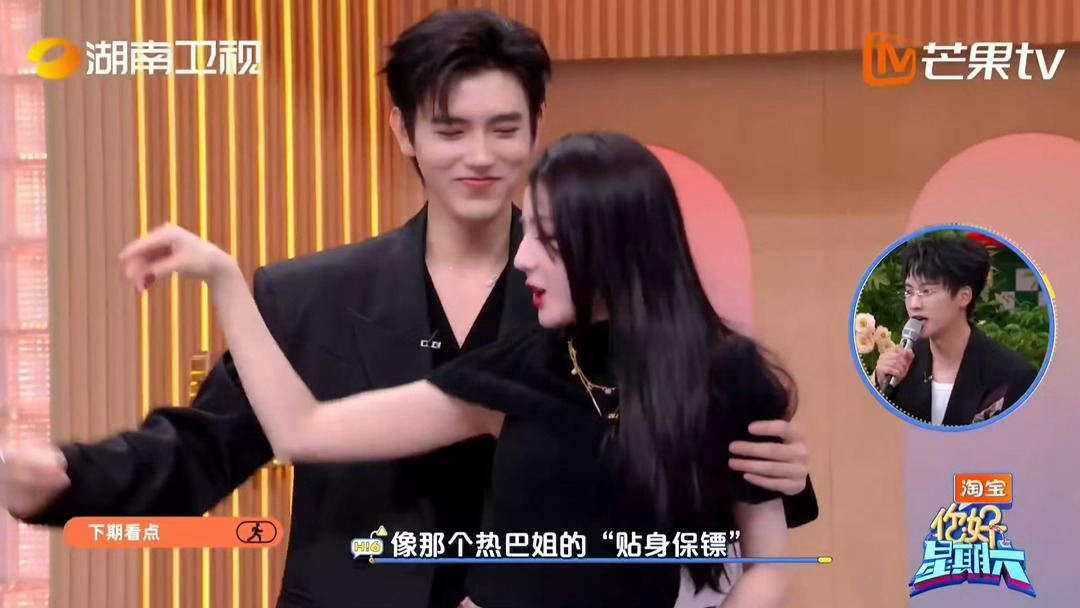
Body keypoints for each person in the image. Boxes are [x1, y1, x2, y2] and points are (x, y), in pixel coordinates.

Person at [0, 9, 815, 608]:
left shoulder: (593, 314)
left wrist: (782, 470)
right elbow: (210, 445)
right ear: (404, 130)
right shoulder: (307, 295)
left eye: (504, 128)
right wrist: (70, 477)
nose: (479, 156)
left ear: (537, 128)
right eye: (450, 129)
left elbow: (696, 476)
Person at [119, 131, 800, 608]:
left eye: (549, 240)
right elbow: (304, 430)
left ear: (617, 248)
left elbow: (768, 563)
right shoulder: (523, 367)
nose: (523, 257)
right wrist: (225, 280)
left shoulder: (727, 374)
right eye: (528, 234)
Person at [874, 234, 1039, 426]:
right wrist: (880, 384)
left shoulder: (1011, 375)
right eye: (909, 291)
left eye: (927, 291)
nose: (914, 304)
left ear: (964, 296)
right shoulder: (902, 368)